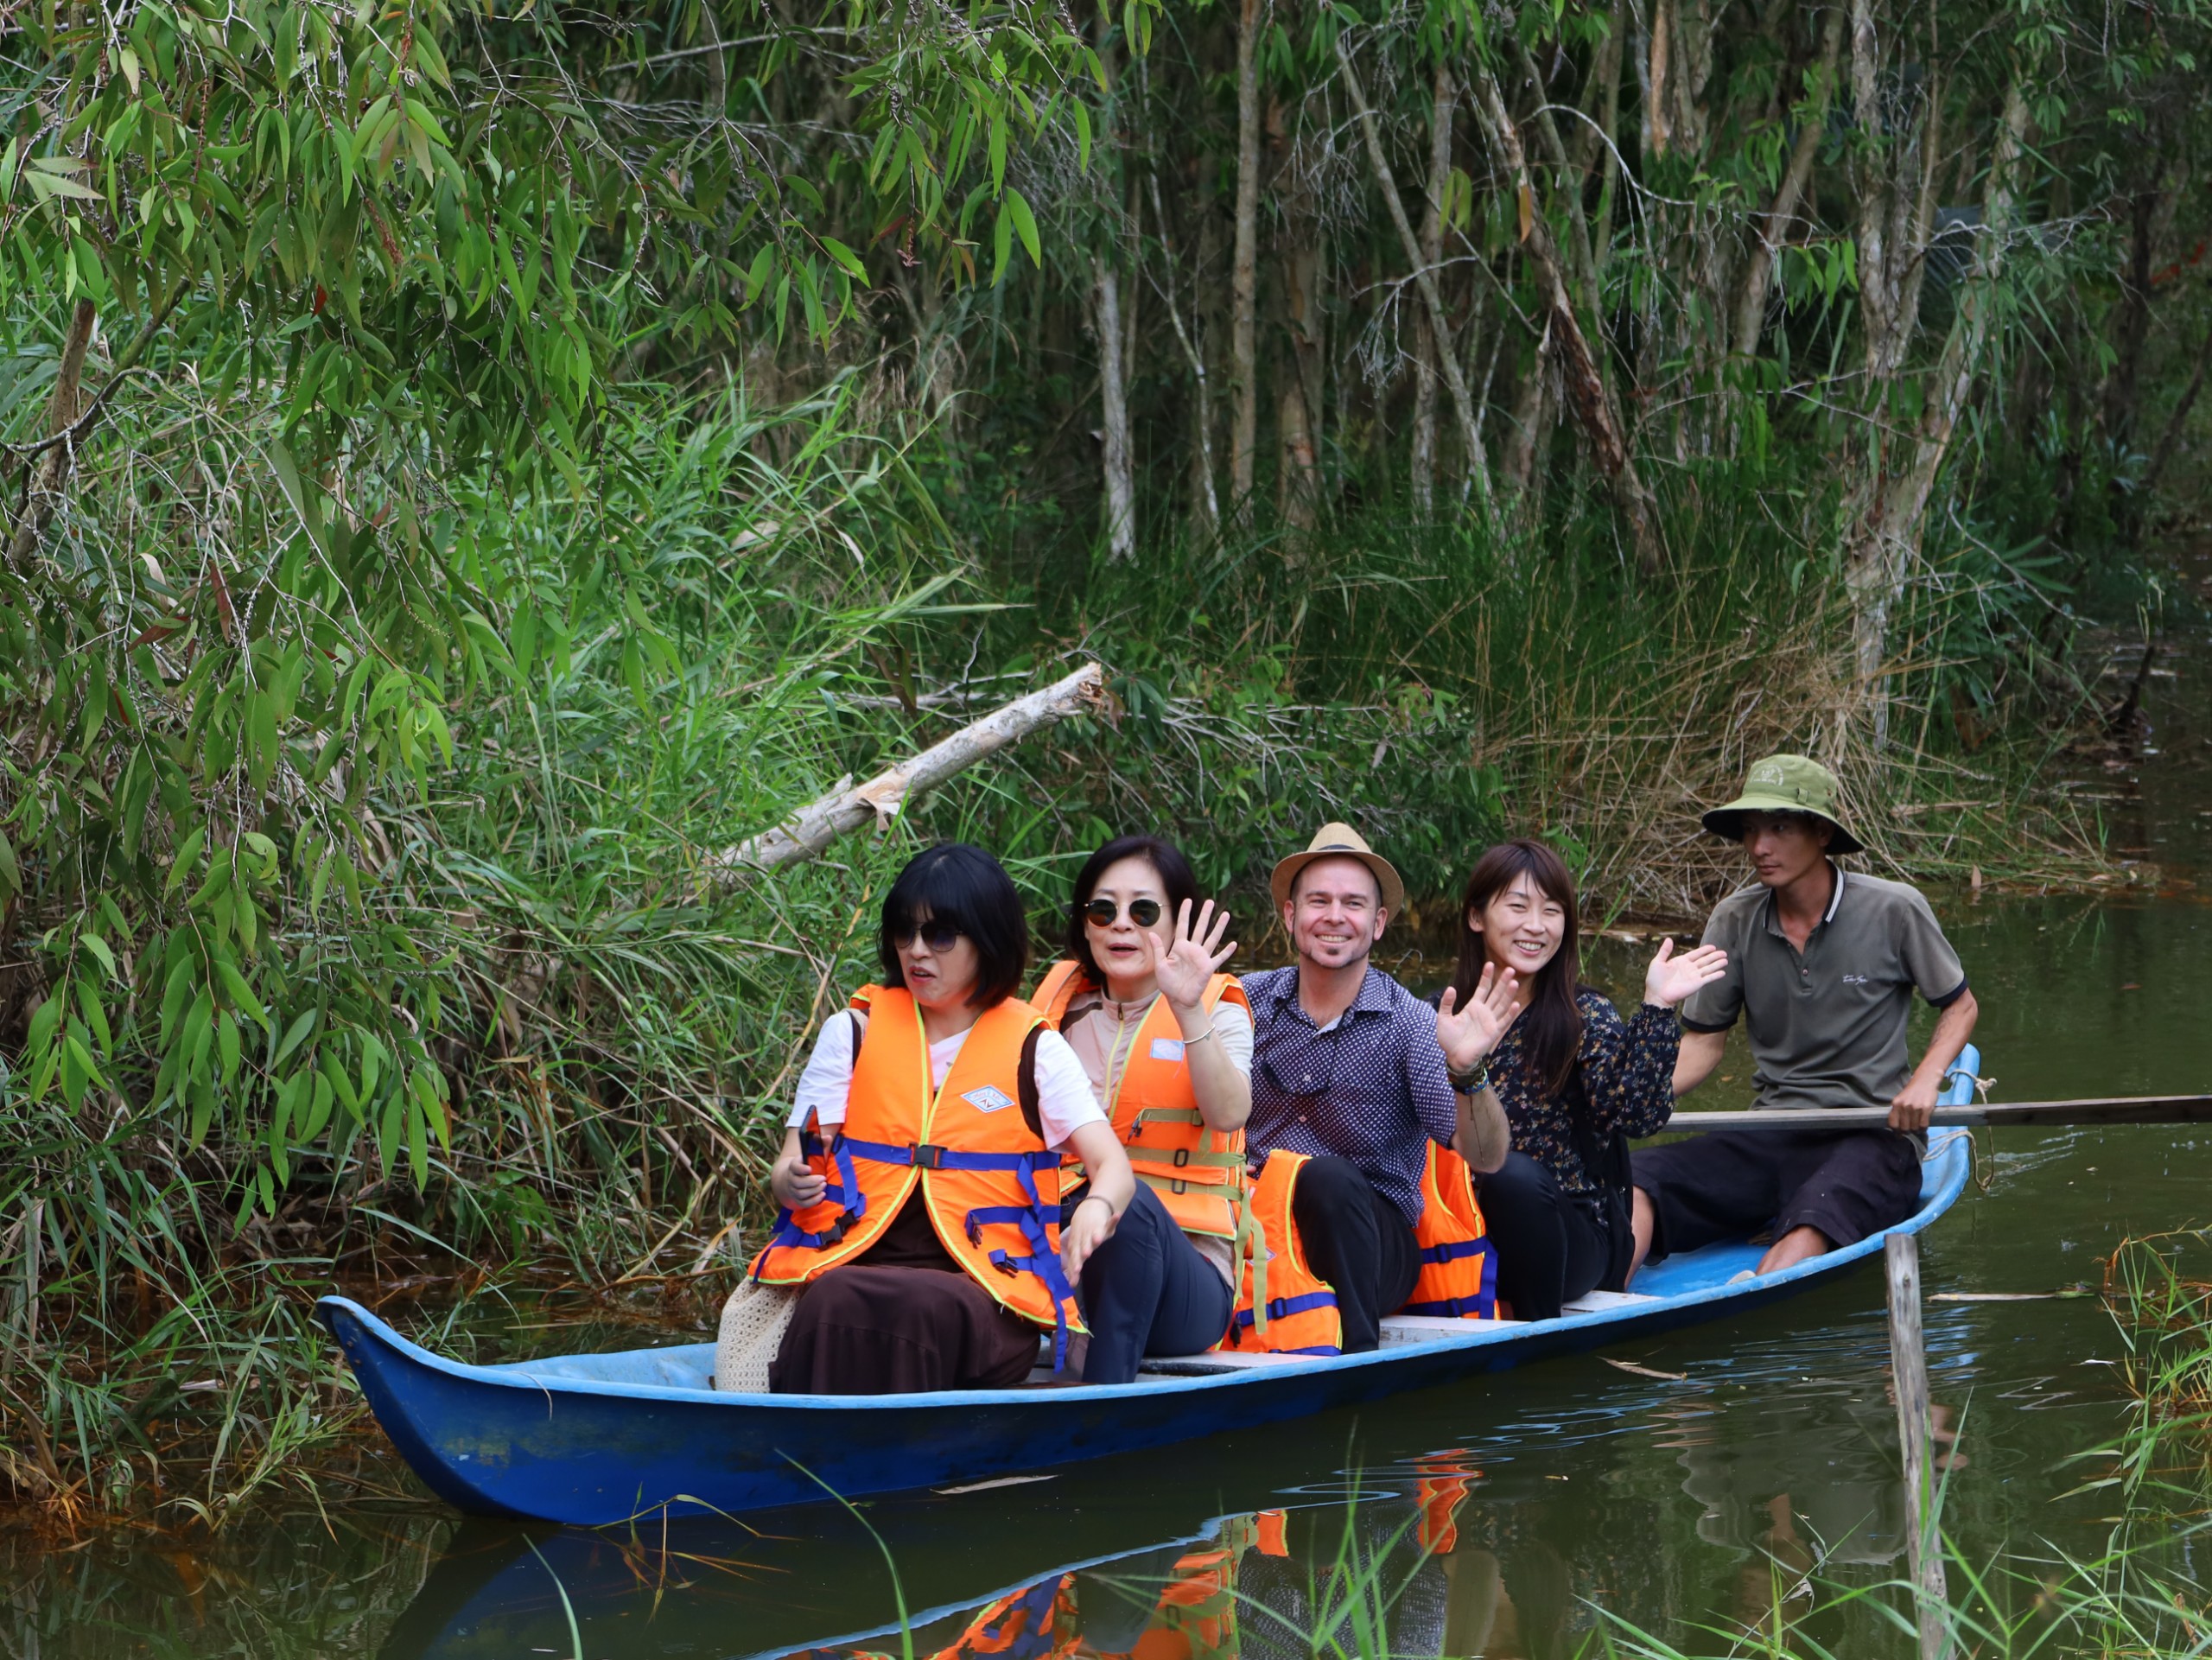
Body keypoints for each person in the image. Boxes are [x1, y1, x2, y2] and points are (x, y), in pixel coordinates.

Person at [753, 843, 1136, 1394]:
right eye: (904, 933)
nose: (916, 951)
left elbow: (1114, 1169)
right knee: (833, 1296)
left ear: (987, 939)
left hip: (983, 1284)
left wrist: (1097, 1210)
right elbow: (789, 1162)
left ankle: (914, 1462)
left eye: (938, 936)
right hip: (860, 1257)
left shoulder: (1035, 1050)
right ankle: (811, 1454)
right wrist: (791, 1182)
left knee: (926, 1305)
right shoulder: (853, 1031)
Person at [1630, 754, 1980, 1280]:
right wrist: (1635, 1100)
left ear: (1821, 833)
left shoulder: (1894, 909)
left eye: (1778, 828)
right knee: (1635, 1179)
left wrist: (1928, 1079)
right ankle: (1599, 1298)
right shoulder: (1734, 919)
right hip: (1772, 1129)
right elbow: (1704, 1043)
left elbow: (1960, 1004)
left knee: (1816, 1213)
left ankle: (1754, 1295)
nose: (1758, 847)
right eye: (1750, 830)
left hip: (1873, 1131)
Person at [1240, 824, 1515, 1353]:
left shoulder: (1408, 1022)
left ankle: (1355, 1364)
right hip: (1257, 1228)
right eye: (1318, 901)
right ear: (1291, 916)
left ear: (1378, 922)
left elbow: (1485, 1157)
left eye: (1353, 903)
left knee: (1326, 1179)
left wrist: (1468, 1070)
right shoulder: (1247, 1003)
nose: (1335, 917)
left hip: (1373, 1238)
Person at [1433, 840, 1726, 1320]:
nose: (1536, 926)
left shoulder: (1582, 1015)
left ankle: (1536, 1342)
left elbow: (1636, 1116)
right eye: (1518, 906)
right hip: (1461, 1228)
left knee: (1512, 1177)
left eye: (1552, 911)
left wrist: (1656, 1009)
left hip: (1569, 1233)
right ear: (1476, 916)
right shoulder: (1438, 1015)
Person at [1031, 835, 1250, 1383]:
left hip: (1186, 1279)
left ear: (1175, 925)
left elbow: (1229, 1113)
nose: (1120, 924)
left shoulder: (1216, 1008)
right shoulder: (1050, 1014)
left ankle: (1102, 1406)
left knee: (1130, 1206)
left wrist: (1185, 1007)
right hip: (1060, 1255)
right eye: (1103, 910)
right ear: (1085, 925)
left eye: (1143, 910)